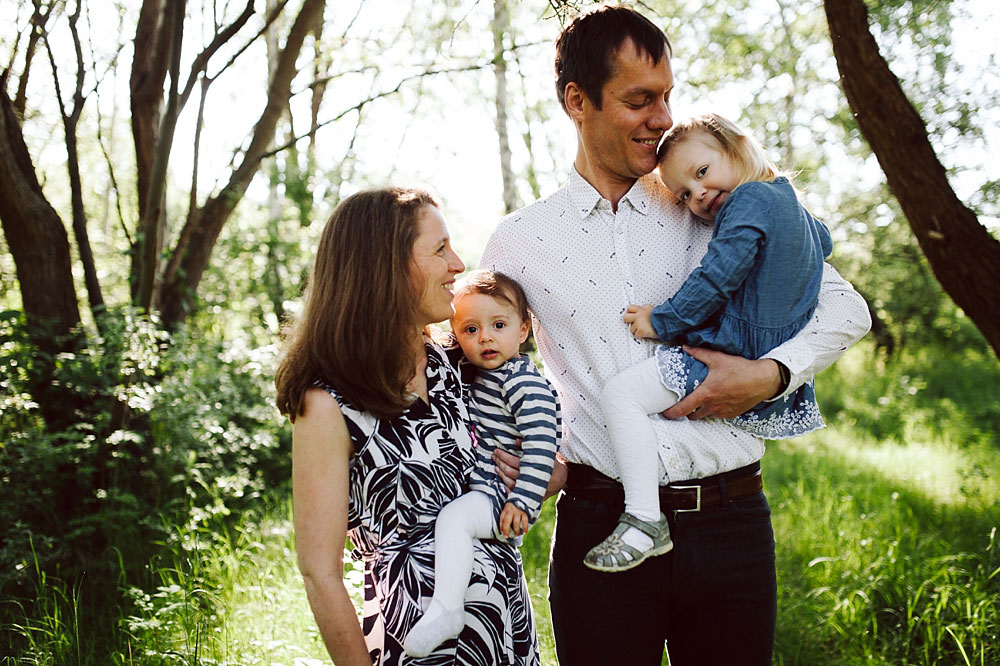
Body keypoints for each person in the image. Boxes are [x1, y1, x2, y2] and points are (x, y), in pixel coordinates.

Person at [479, 5, 871, 665]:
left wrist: (773, 374)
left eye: (667, 97)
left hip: (730, 522)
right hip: (597, 521)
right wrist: (528, 458)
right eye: (639, 100)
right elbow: (482, 367)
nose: (663, 119)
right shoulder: (519, 242)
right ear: (578, 101)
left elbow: (842, 306)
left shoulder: (714, 200)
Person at [275, 188, 540, 666]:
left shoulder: (458, 359)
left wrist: (545, 473)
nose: (458, 264)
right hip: (420, 647)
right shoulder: (327, 402)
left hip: (506, 635)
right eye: (439, 250)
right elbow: (320, 572)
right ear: (386, 268)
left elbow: (535, 430)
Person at [584, 113, 833, 573]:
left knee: (621, 396)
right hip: (761, 356)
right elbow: (825, 243)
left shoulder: (751, 200)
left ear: (738, 145)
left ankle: (643, 518)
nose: (697, 195)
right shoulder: (792, 207)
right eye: (684, 194)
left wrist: (663, 320)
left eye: (701, 173)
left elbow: (717, 276)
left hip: (727, 350)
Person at [404, 270, 560, 658]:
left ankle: (447, 609)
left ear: (523, 330)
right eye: (470, 330)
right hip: (491, 491)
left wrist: (523, 500)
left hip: (502, 496)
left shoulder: (524, 383)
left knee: (454, 520)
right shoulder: (485, 374)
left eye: (498, 325)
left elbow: (541, 445)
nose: (485, 337)